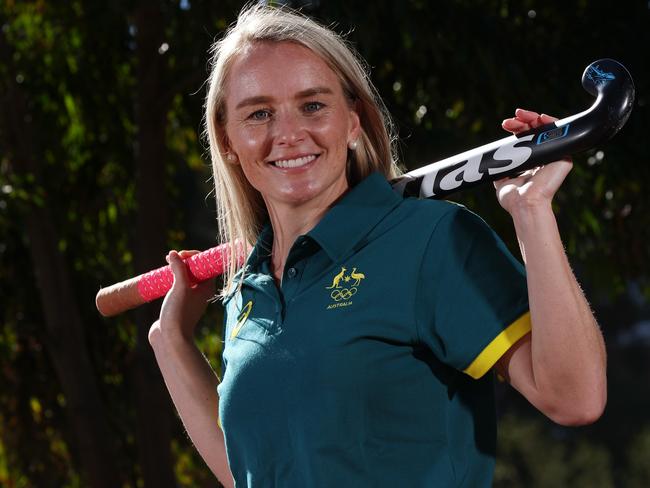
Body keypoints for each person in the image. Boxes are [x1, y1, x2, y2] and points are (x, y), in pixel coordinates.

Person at [148, 4, 607, 487]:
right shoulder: (250, 288)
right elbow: (251, 471)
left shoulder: (429, 240)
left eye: (313, 106)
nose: (287, 134)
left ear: (353, 121)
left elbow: (575, 397)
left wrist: (531, 211)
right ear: (227, 142)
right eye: (259, 113)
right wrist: (171, 341)